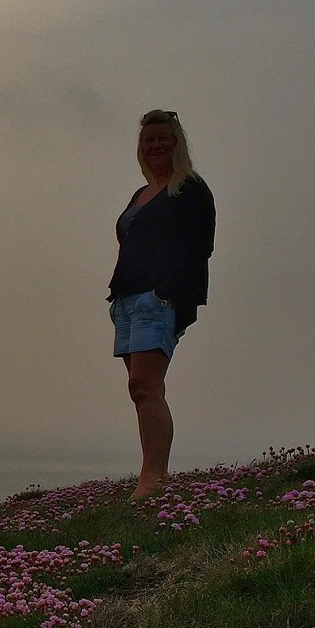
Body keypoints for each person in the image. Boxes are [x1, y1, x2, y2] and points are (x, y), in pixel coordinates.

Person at [107, 109, 216, 502]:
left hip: (159, 298)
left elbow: (200, 247)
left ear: (177, 142)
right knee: (141, 391)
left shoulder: (190, 188)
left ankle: (151, 479)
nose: (155, 145)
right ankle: (153, 472)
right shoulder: (141, 194)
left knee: (144, 384)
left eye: (163, 138)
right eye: (148, 139)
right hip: (126, 299)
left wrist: (168, 293)